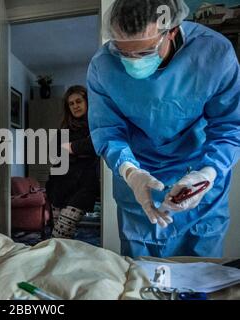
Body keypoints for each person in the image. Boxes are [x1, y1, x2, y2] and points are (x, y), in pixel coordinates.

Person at [87, 0, 240, 258]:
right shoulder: (103, 66)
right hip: (138, 173)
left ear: (172, 30)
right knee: (140, 277)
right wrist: (130, 171)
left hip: (198, 173)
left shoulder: (214, 53)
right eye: (124, 53)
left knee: (202, 276)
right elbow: (107, 131)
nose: (133, 63)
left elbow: (230, 126)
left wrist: (207, 173)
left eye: (144, 53)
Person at [46, 86, 100, 239]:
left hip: (84, 186)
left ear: (87, 102)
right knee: (59, 235)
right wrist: (78, 151)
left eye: (79, 101)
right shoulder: (63, 130)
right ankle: (61, 260)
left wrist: (72, 148)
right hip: (60, 186)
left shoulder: (96, 125)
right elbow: (56, 155)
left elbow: (94, 145)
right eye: (71, 103)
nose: (75, 106)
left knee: (60, 234)